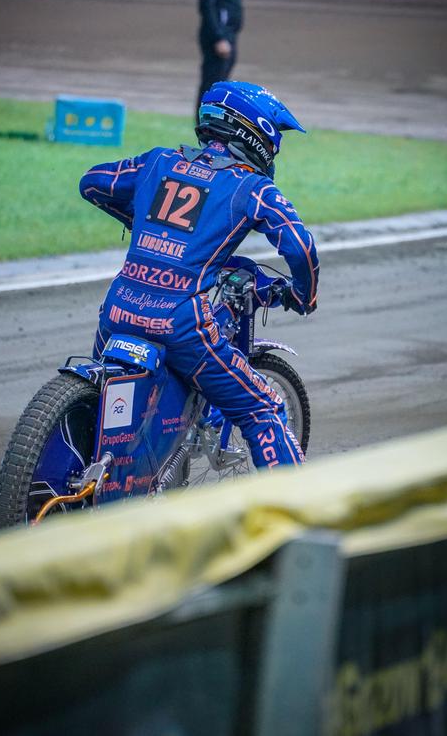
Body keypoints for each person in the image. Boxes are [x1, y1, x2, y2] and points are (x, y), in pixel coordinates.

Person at [79, 81, 319, 470]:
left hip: (117, 311)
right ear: (257, 133)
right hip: (179, 324)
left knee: (99, 400)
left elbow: (92, 182)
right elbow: (300, 246)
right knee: (264, 409)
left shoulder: (157, 162)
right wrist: (305, 297)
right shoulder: (253, 186)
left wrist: (145, 225)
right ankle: (290, 517)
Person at [194, 0, 243, 124]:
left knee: (222, 83)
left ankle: (215, 122)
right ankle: (204, 124)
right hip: (218, 36)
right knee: (212, 84)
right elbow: (208, 5)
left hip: (229, 34)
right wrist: (219, 37)